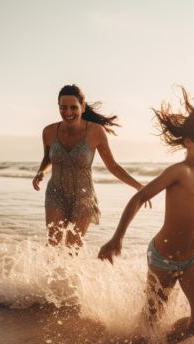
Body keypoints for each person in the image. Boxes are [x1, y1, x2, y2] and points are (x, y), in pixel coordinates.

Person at [98, 87, 194, 344]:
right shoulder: (179, 171)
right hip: (163, 258)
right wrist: (117, 238)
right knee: (151, 320)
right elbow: (139, 198)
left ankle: (167, 343)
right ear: (189, 142)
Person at [32, 84, 149, 248]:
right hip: (55, 193)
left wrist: (138, 186)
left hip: (84, 197)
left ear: (83, 106)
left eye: (73, 107)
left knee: (72, 248)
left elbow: (112, 165)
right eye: (63, 107)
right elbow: (48, 158)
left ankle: (71, 275)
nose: (68, 112)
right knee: (53, 245)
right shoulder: (49, 131)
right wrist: (41, 172)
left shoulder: (95, 132)